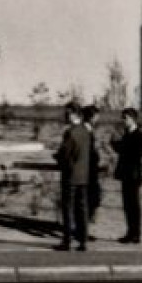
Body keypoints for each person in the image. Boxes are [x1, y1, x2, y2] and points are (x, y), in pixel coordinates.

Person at [53, 103, 93, 251]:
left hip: (70, 175)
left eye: (67, 113)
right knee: (82, 208)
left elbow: (65, 154)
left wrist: (57, 157)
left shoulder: (70, 132)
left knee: (68, 208)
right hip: (83, 175)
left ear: (74, 114)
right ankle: (83, 240)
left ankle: (67, 240)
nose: (65, 116)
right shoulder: (85, 131)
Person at [112, 108, 142, 244]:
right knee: (128, 205)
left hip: (132, 175)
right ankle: (131, 232)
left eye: (125, 118)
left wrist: (120, 147)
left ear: (132, 119)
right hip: (128, 174)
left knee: (133, 205)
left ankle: (135, 233)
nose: (123, 121)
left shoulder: (137, 135)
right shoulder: (129, 134)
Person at [81, 105, 104, 238]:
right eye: (96, 115)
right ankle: (83, 230)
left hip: (91, 170)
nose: (97, 118)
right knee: (90, 199)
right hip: (87, 170)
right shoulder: (85, 130)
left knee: (93, 198)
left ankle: (84, 229)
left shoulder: (90, 130)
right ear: (91, 117)